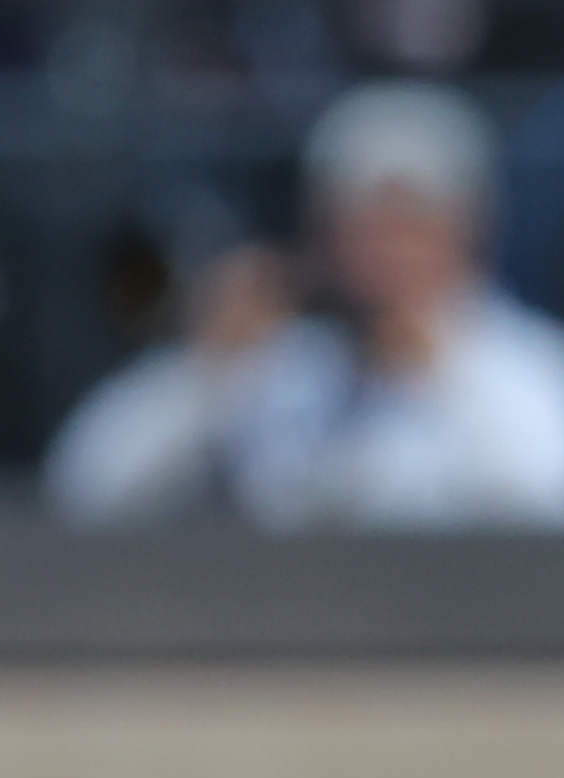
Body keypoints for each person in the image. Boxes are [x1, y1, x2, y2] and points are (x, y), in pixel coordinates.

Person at [48, 85, 564, 529]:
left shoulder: (528, 365)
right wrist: (205, 367)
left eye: (408, 221)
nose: (382, 247)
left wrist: (440, 368)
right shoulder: (286, 364)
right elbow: (87, 485)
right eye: (359, 221)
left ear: (467, 229)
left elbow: (541, 501)